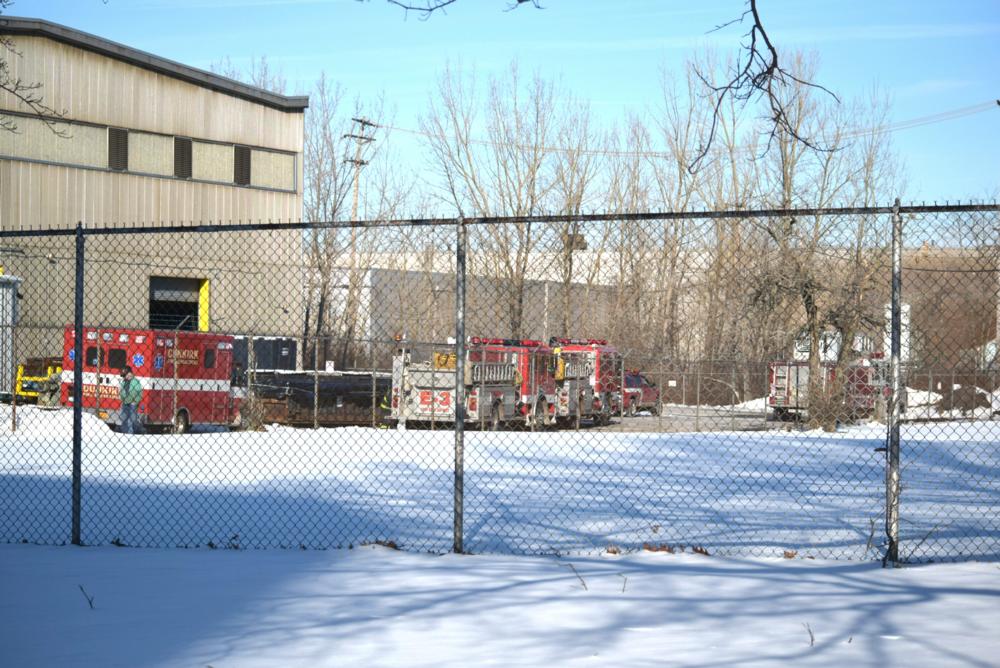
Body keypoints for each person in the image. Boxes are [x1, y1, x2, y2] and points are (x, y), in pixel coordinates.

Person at [119, 366, 143, 434]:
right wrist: (122, 398)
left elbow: (139, 393)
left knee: (132, 420)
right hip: (125, 402)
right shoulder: (124, 382)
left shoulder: (135, 382)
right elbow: (122, 391)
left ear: (129, 373)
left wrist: (135, 401)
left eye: (124, 375)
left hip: (132, 403)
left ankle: (131, 433)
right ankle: (124, 433)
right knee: (124, 418)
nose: (123, 377)